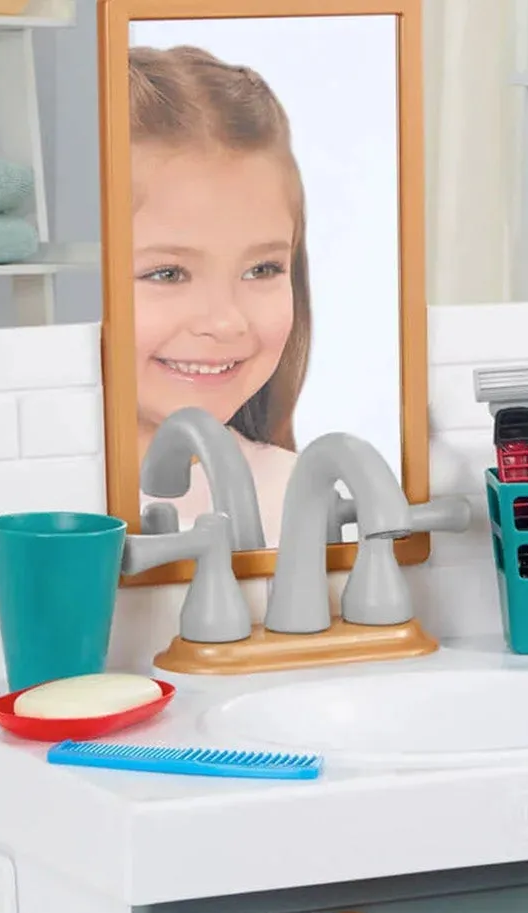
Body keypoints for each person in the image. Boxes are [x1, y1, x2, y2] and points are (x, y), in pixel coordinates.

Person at [128, 44, 311, 547]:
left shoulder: (302, 496)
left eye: (261, 268)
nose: (226, 321)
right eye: (167, 273)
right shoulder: (26, 511)